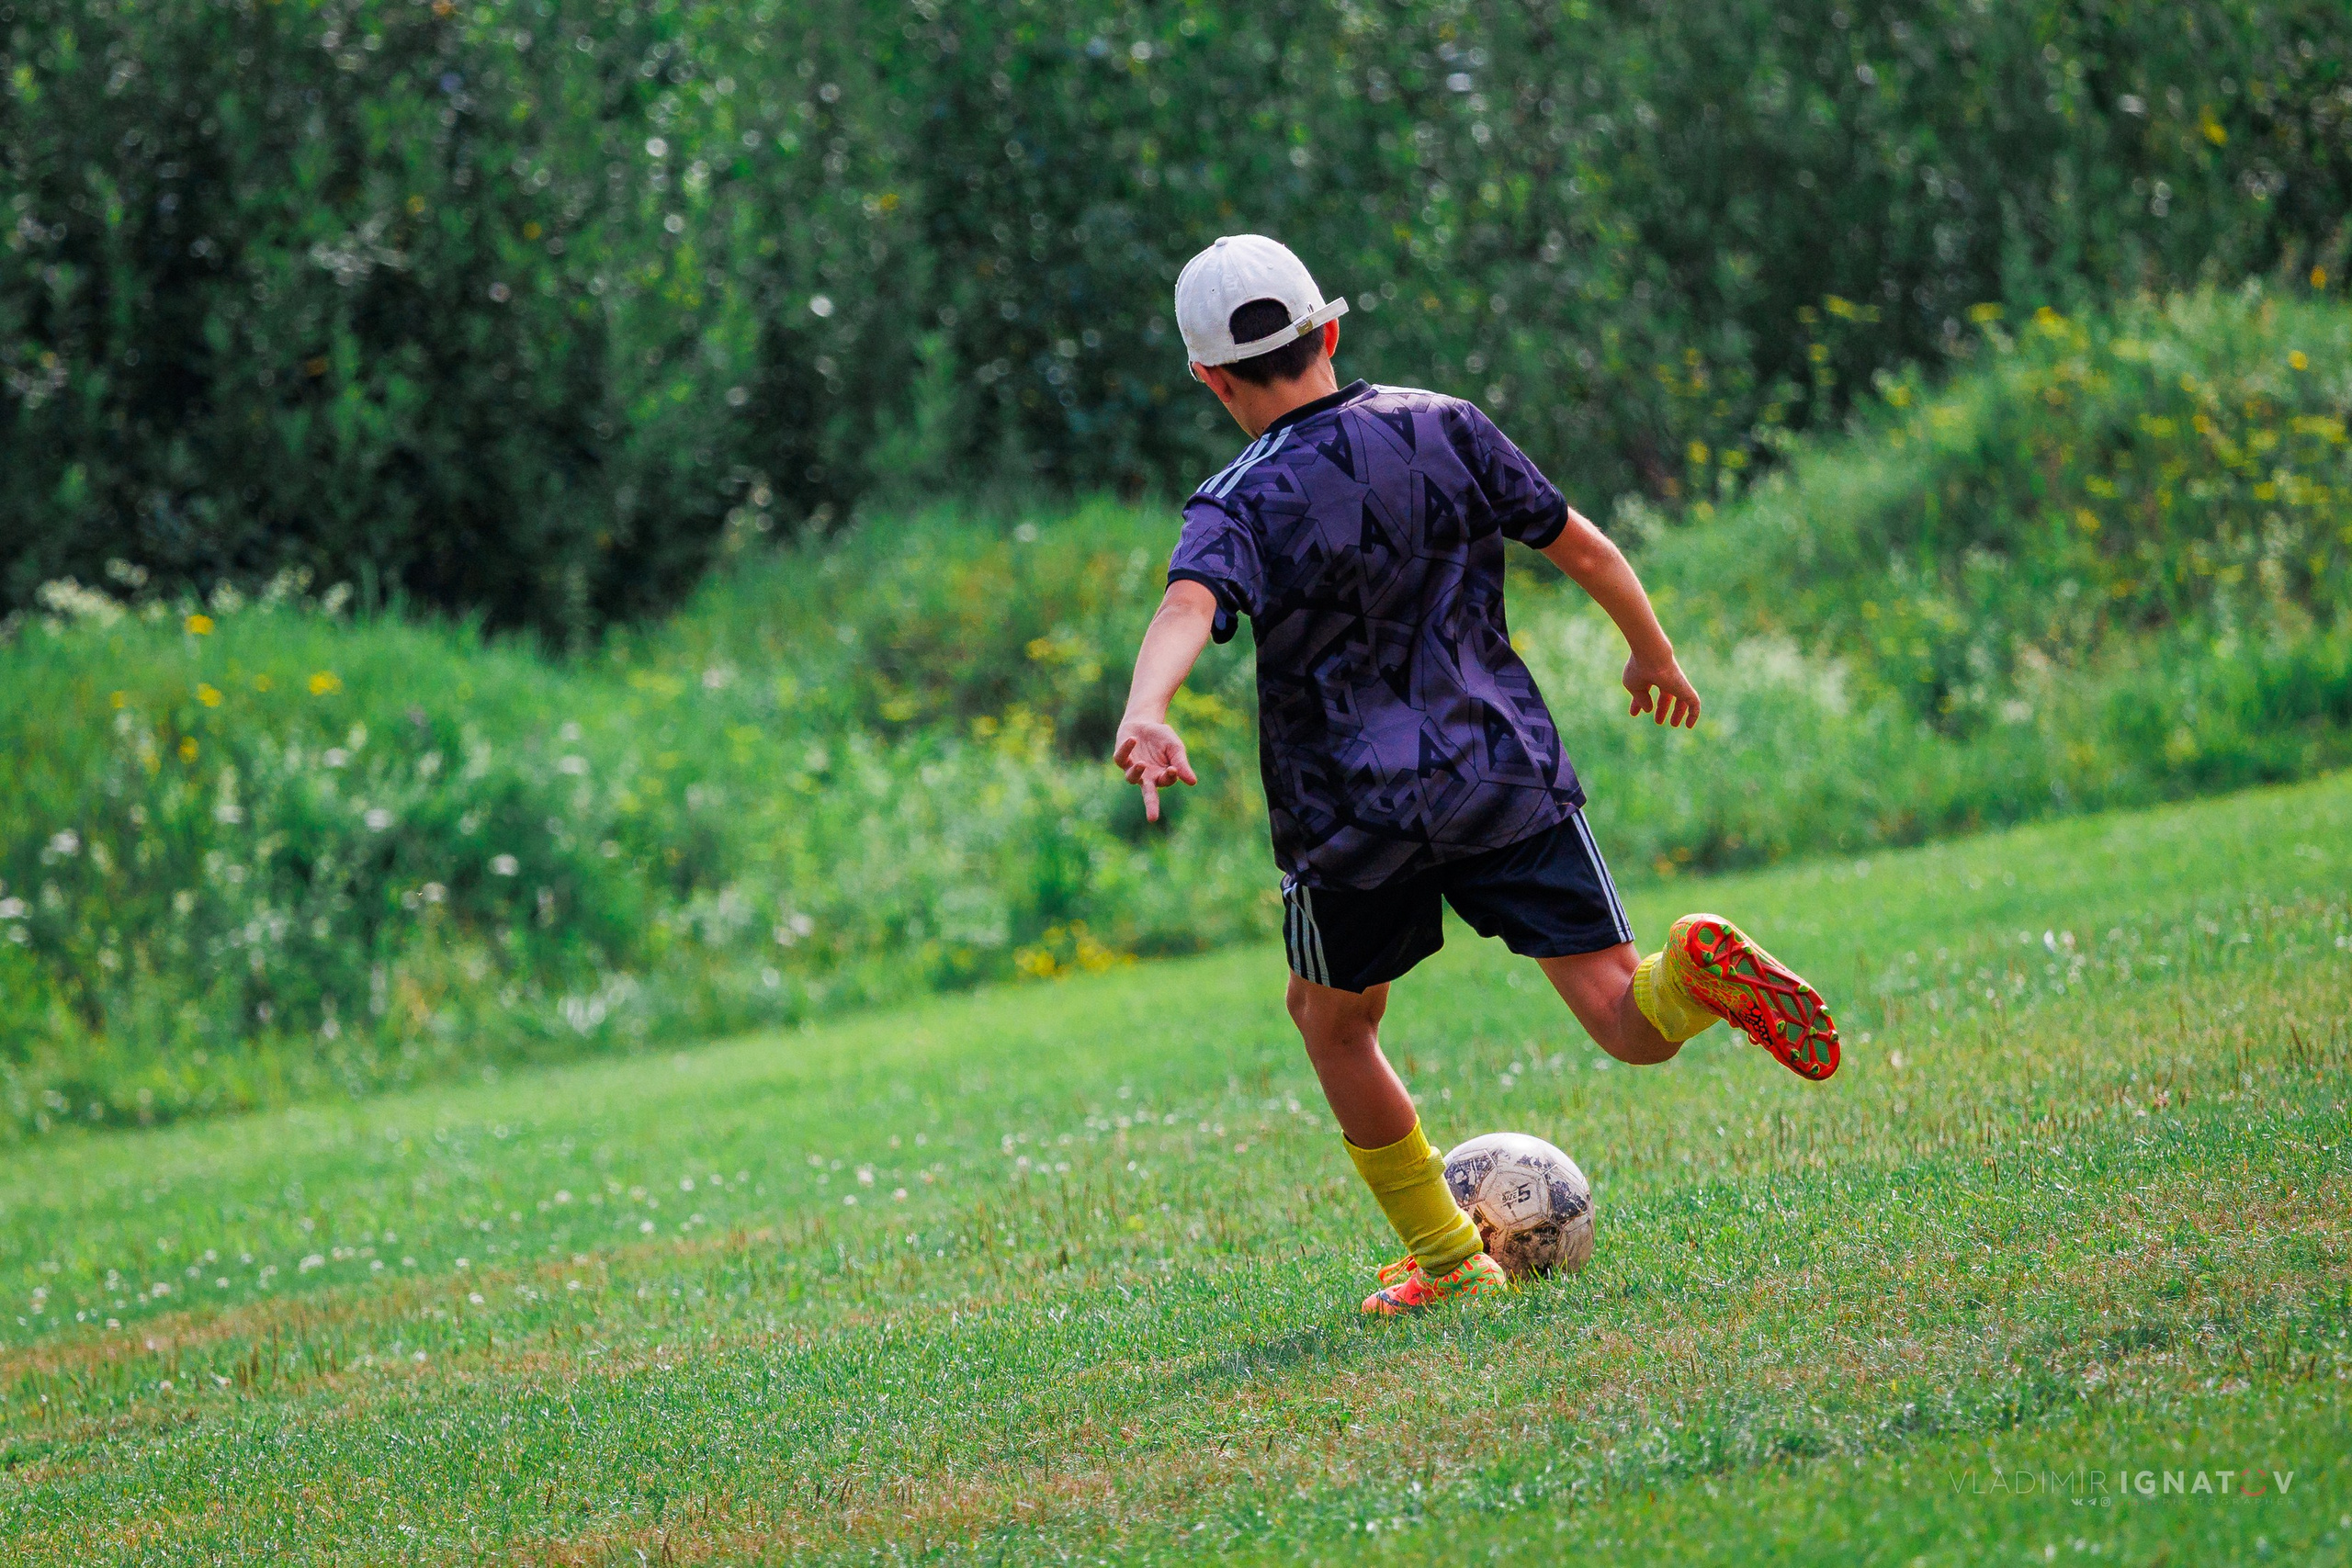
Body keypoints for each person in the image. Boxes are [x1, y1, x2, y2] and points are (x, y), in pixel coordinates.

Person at [1114, 235, 1841, 1316]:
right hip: (1499, 767)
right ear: (1330, 331)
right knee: (1625, 1019)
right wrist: (1650, 650)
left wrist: (1147, 708)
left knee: (1333, 1019)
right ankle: (1692, 972)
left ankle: (1450, 1261)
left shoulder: (1236, 498)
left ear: (1208, 378)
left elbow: (1187, 607)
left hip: (1352, 814)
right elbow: (1581, 545)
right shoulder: (1440, 421)